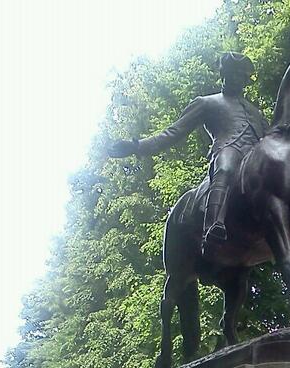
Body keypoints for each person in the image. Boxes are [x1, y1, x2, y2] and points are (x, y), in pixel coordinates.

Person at [109, 52, 269, 249]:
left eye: (240, 75)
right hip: (229, 149)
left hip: (256, 159)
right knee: (226, 168)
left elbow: (271, 139)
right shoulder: (207, 103)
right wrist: (137, 146)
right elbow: (174, 132)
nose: (236, 78)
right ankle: (213, 225)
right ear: (223, 75)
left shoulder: (256, 112)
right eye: (232, 73)